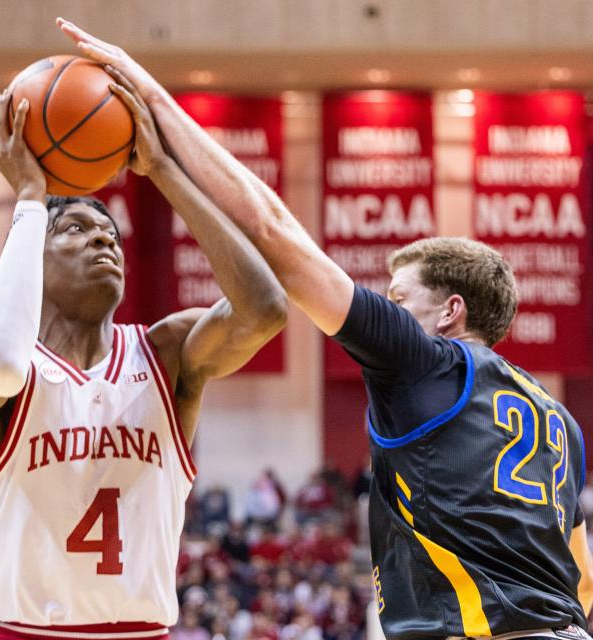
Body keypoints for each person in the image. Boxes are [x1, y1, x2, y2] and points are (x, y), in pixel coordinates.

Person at [56, 19, 593, 639]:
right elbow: (580, 578)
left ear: (449, 312)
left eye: (399, 297)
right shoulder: (561, 422)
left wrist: (155, 103)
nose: (388, 307)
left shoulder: (421, 361)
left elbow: (272, 230)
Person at [0, 67, 287, 639]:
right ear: (31, 255)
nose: (104, 239)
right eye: (76, 228)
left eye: (110, 235)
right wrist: (30, 198)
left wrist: (163, 172)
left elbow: (265, 308)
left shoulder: (166, 352)